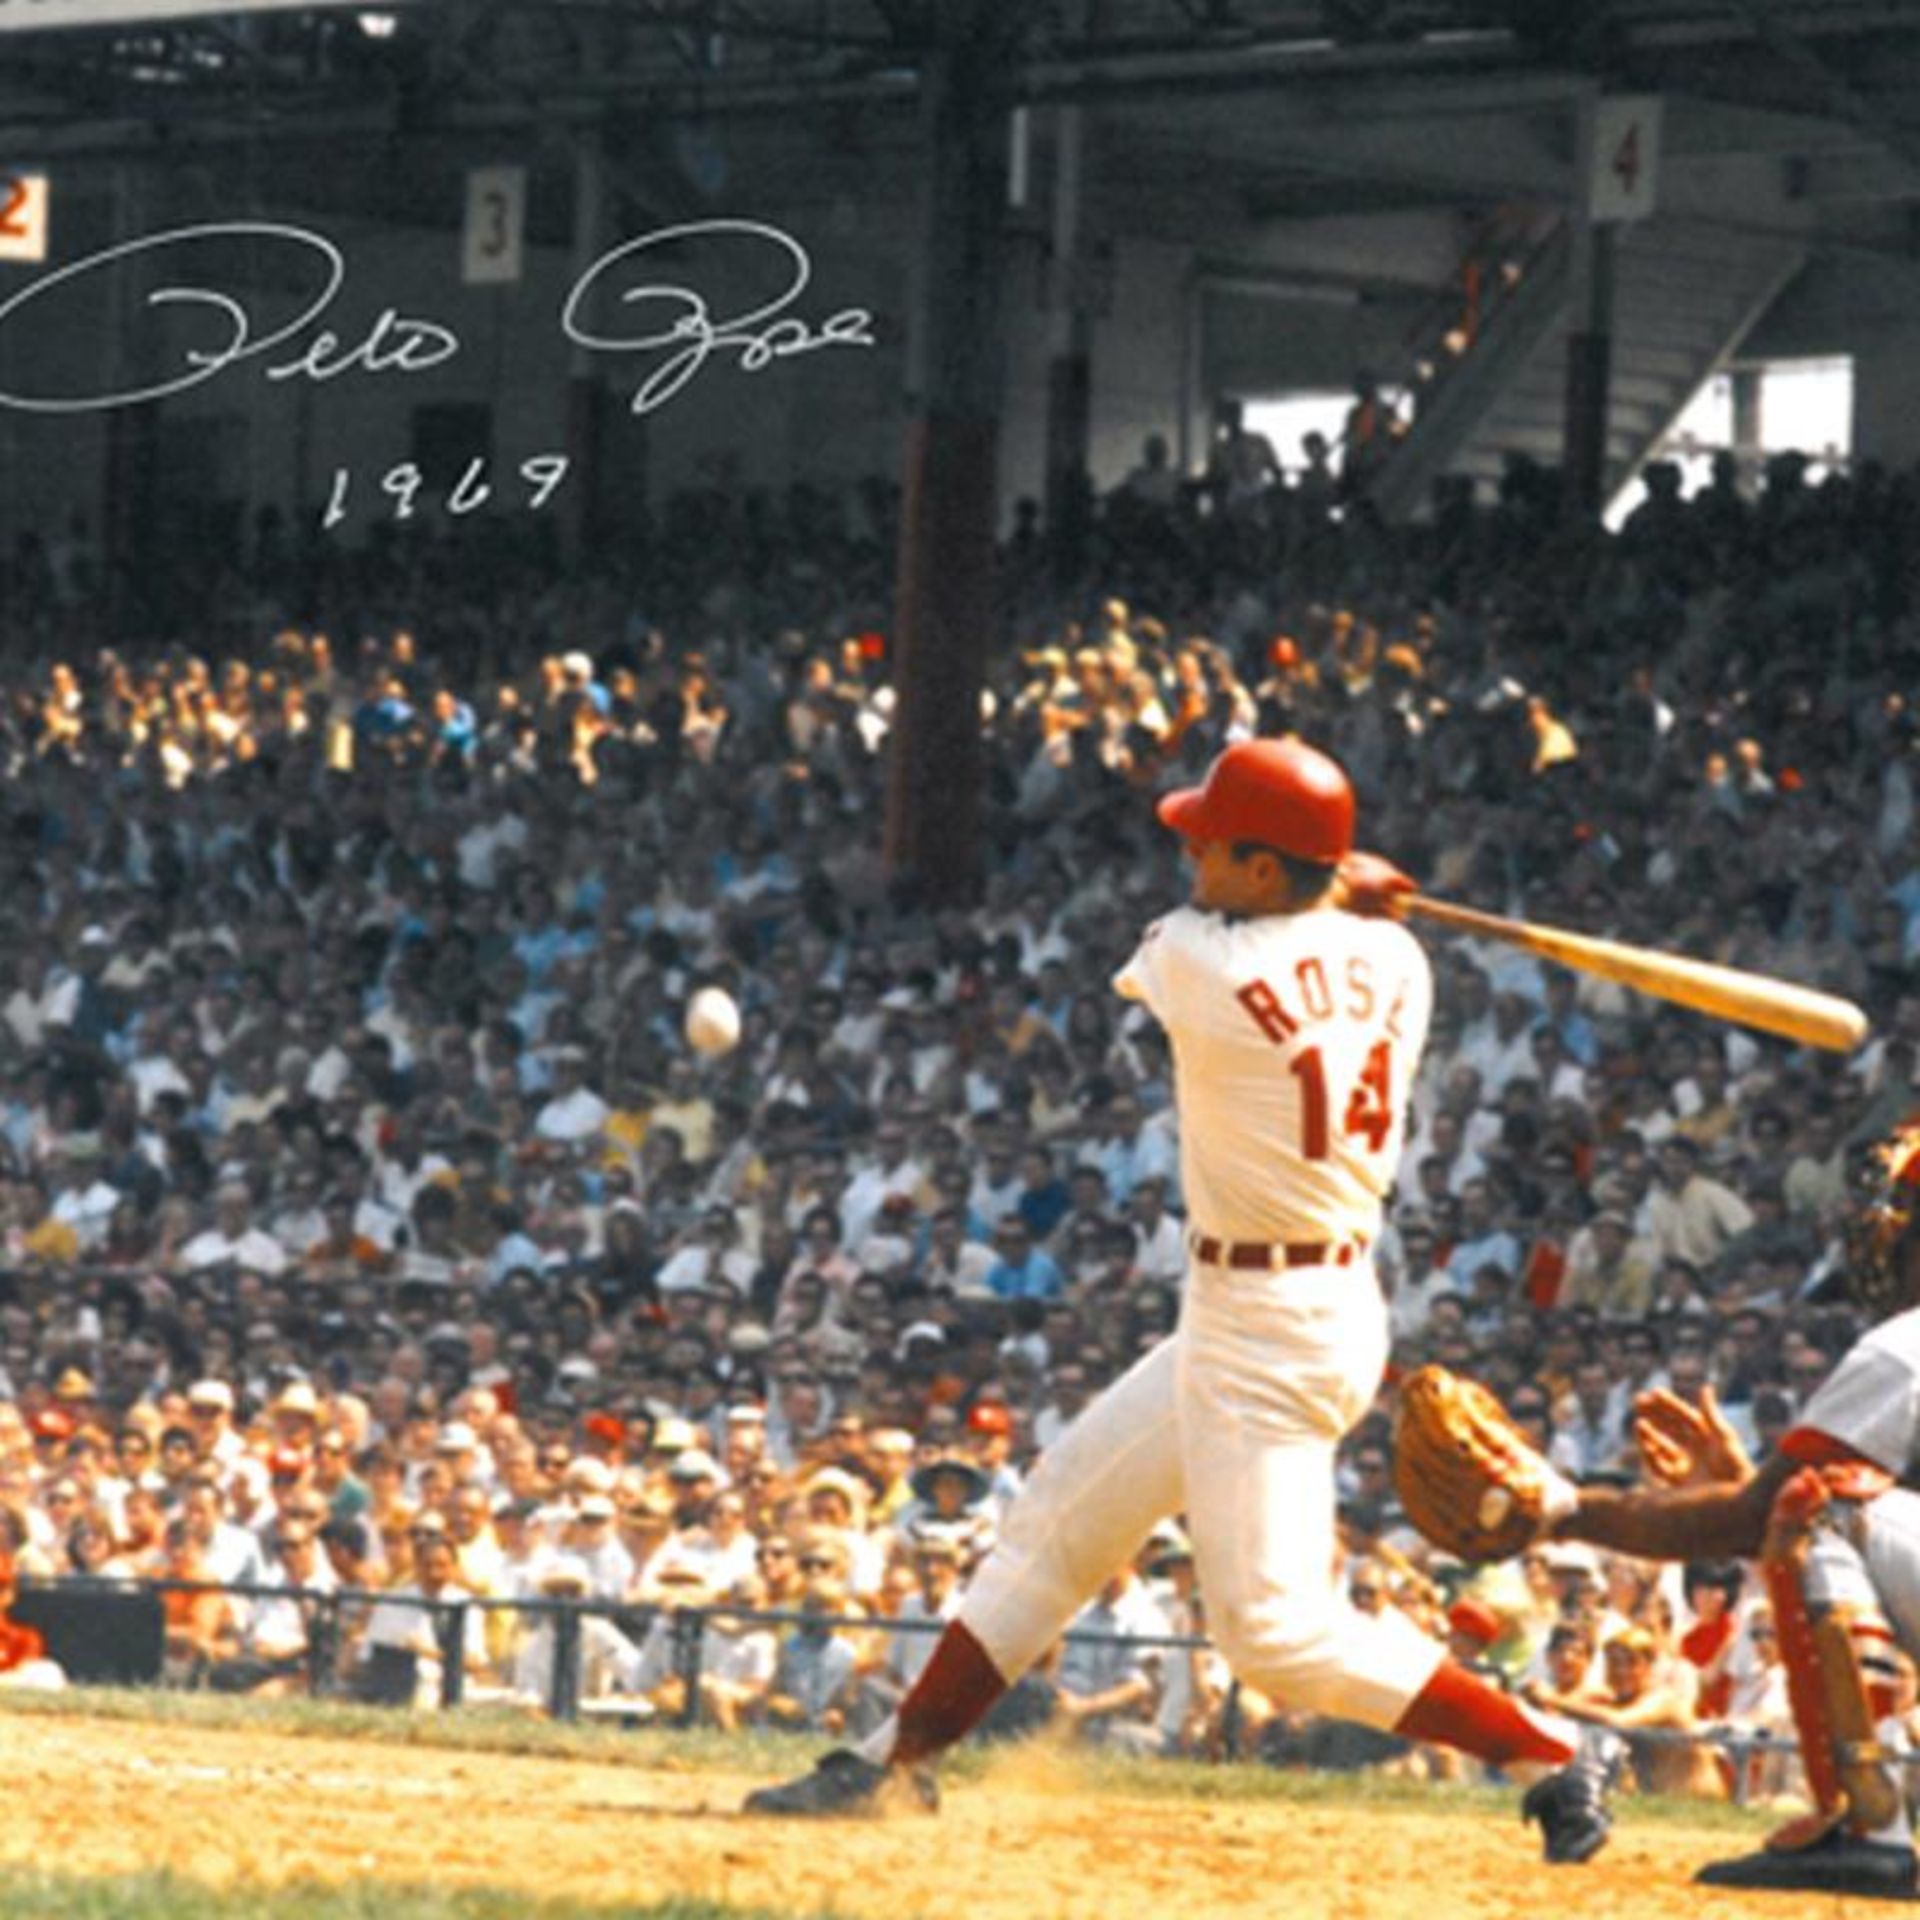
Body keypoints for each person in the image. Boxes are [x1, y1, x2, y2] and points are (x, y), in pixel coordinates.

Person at [744, 735, 1620, 1861]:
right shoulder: (1404, 965)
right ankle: (893, 1764)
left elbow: (1211, 936)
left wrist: (1349, 883)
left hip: (1268, 1329)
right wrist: (1346, 887)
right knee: (1054, 1525)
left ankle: (1554, 1748)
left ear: (1267, 871)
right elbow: (1336, 917)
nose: (1193, 850)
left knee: (1275, 1636)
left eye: (1216, 842)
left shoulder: (1208, 965)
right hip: (1303, 1301)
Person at [1532, 1117, 1920, 1898]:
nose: (1888, 1235)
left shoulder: (1906, 1342)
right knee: (1813, 1507)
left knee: (1818, 1506)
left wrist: (1561, 1509)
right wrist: (1747, 1487)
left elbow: (1771, 1516)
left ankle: (1872, 1827)